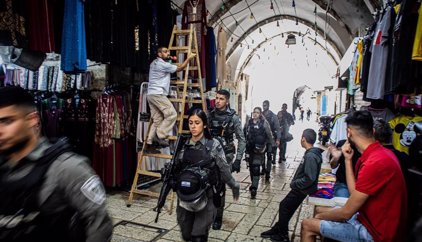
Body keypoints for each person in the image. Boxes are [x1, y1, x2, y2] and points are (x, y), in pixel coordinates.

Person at [0, 86, 112, 241]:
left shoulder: (68, 168)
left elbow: (99, 223)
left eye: (7, 121)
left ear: (32, 119)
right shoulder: (4, 167)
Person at [301, 111, 408, 242]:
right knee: (320, 209)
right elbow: (354, 193)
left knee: (307, 224)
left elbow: (346, 213)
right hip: (368, 218)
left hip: (376, 233)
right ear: (373, 131)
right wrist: (347, 160)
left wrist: (320, 217)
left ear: (349, 133)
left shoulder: (375, 162)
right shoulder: (377, 153)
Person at [175, 109, 240, 242]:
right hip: (185, 196)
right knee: (186, 234)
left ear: (204, 125)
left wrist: (233, 185)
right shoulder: (182, 144)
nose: (193, 126)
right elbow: (176, 166)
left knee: (198, 236)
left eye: (197, 123)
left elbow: (223, 168)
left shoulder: (213, 144)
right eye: (191, 122)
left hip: (207, 196)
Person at [261, 129, 322, 242]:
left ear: (303, 138)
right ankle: (277, 228)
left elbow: (310, 178)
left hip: (302, 189)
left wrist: (295, 184)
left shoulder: (310, 156)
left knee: (284, 206)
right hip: (302, 188)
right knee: (288, 208)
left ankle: (283, 235)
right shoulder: (311, 153)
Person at [145, 47, 196, 153]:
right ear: (159, 54)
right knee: (172, 114)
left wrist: (173, 61)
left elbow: (174, 65)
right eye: (164, 52)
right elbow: (180, 67)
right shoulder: (162, 65)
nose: (167, 53)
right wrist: (189, 58)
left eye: (168, 51)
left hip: (151, 94)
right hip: (158, 94)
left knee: (157, 119)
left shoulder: (154, 63)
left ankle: (149, 144)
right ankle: (160, 135)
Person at [208, 89, 246, 230]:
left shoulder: (233, 118)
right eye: (217, 98)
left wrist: (238, 159)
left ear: (227, 101)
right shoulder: (210, 115)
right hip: (210, 153)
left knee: (219, 186)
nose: (217, 101)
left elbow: (242, 140)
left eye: (221, 99)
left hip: (226, 155)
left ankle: (218, 217)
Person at [244, 107, 275, 198]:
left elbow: (269, 135)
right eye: (254, 112)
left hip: (259, 149)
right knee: (251, 168)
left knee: (256, 168)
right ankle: (253, 182)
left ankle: (254, 188)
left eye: (257, 112)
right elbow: (244, 133)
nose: (255, 114)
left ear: (260, 114)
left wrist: (270, 147)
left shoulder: (264, 123)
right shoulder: (248, 123)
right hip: (250, 149)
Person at [262, 100, 280, 172]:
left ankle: (268, 172)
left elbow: (278, 128)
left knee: (269, 155)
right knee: (262, 155)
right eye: (263, 105)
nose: (264, 107)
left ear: (268, 106)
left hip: (270, 138)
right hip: (262, 138)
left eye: (265, 105)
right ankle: (263, 168)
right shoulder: (261, 115)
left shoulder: (273, 116)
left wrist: (278, 139)